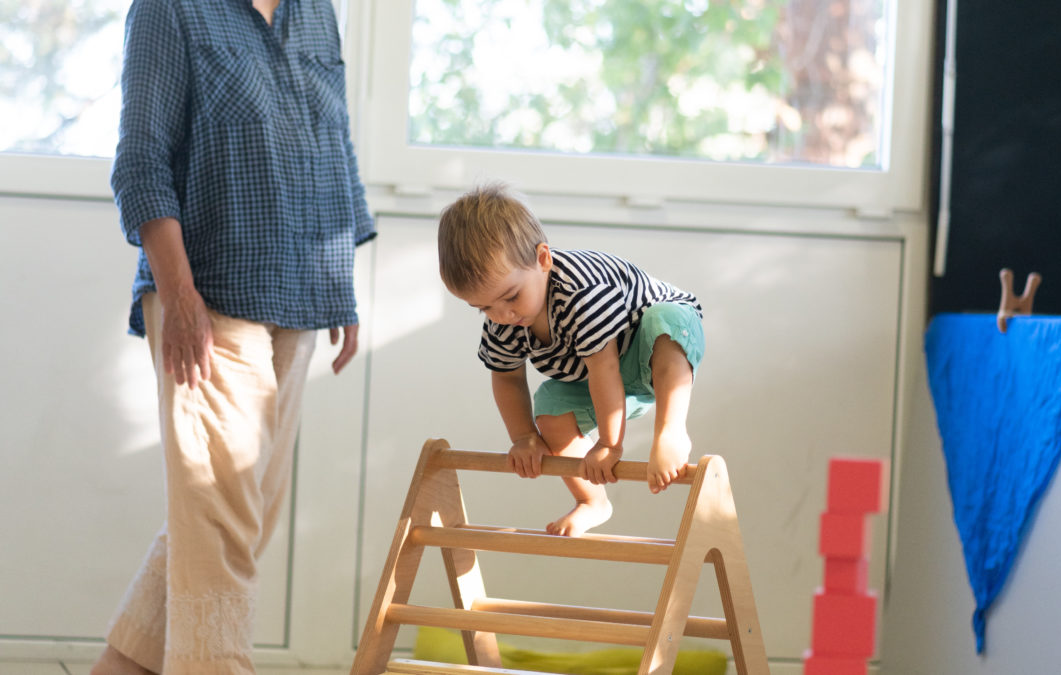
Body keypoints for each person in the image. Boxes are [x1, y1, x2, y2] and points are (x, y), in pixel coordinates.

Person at [91, 0, 375, 673]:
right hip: (207, 293)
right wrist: (179, 296)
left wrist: (340, 283)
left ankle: (120, 668)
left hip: (301, 293)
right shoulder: (170, 10)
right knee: (222, 523)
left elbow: (334, 141)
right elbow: (140, 161)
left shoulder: (316, 12)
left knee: (238, 518)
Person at [437, 184, 704, 537]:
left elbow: (604, 366)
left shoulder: (581, 292)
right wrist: (524, 437)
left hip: (652, 345)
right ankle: (592, 501)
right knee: (549, 406)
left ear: (543, 259)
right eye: (483, 307)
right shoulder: (503, 322)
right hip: (601, 376)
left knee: (664, 321)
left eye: (511, 297)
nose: (502, 315)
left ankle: (671, 431)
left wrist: (609, 445)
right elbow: (506, 378)